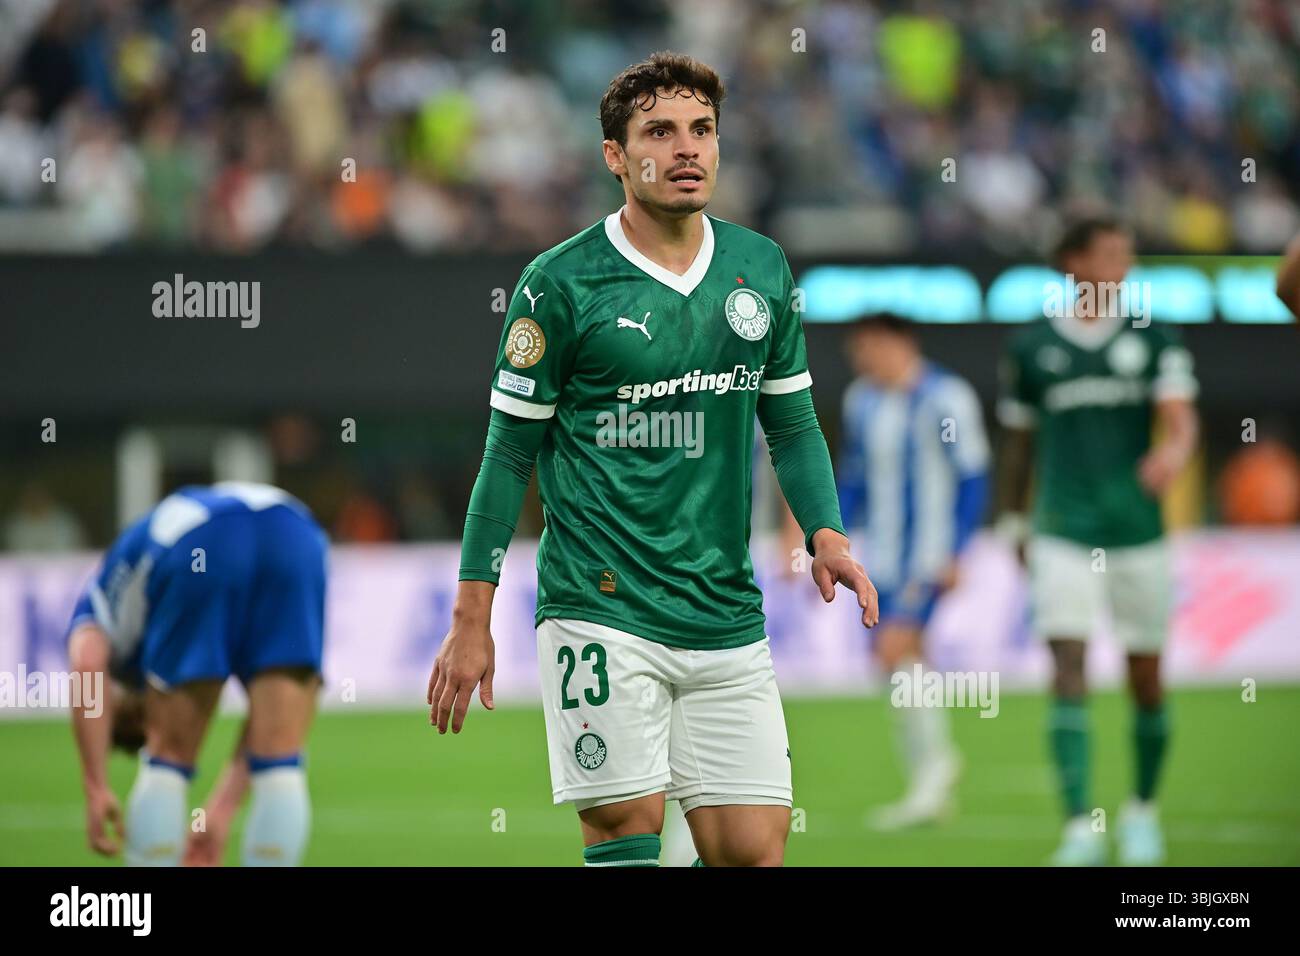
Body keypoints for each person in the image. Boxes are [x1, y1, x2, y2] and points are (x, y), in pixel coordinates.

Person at [426, 51, 878, 868]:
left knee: (752, 849)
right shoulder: (558, 285)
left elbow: (795, 424)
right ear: (614, 154)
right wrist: (470, 618)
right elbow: (506, 457)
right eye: (659, 131)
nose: (686, 149)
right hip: (601, 610)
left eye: (702, 130)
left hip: (723, 609)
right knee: (624, 822)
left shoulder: (760, 267)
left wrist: (827, 534)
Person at [995, 217, 1199, 865]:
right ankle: (1081, 824)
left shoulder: (1154, 338)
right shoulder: (1033, 350)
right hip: (1062, 528)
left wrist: (1173, 454)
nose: (1122, 266)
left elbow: (1179, 420)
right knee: (1068, 668)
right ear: (1072, 264)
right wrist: (1013, 520)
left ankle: (1141, 812)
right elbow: (1019, 443)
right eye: (1109, 254)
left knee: (1146, 676)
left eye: (1127, 254)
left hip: (1137, 530)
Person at [67, 481, 327, 866]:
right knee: (280, 758)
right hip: (295, 530)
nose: (146, 719)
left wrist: (96, 786)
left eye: (135, 720)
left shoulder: (102, 608)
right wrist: (219, 810)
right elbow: (266, 727)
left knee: (168, 757)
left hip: (203, 540)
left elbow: (87, 666)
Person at [837, 313, 990, 829]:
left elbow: (972, 476)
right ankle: (932, 776)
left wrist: (956, 549)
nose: (862, 359)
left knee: (894, 648)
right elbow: (855, 477)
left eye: (870, 346)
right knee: (900, 661)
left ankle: (934, 773)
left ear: (900, 343)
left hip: (926, 555)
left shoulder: (947, 397)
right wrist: (827, 534)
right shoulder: (863, 400)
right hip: (879, 557)